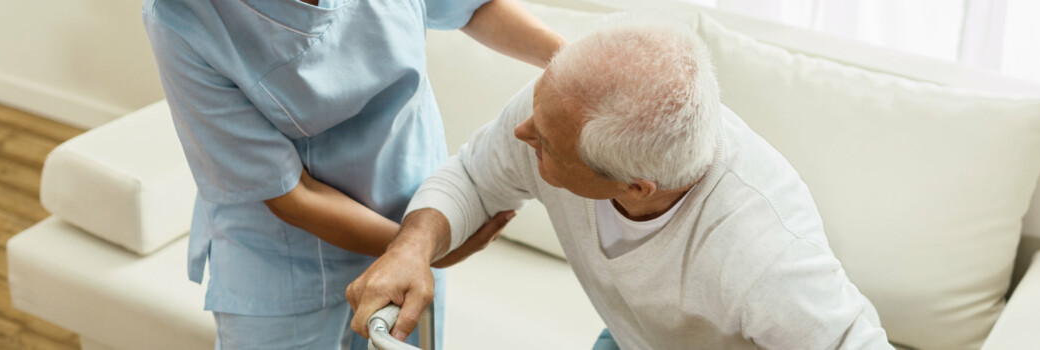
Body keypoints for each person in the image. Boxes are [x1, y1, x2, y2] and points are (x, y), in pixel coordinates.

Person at [346, 15, 894, 349]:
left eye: (546, 145)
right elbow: (472, 176)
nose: (522, 132)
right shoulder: (560, 104)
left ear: (635, 187)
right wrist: (410, 248)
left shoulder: (767, 256)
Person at [142, 0, 565, 348]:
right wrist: (416, 249)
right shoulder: (183, 19)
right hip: (289, 268)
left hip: (412, 221)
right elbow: (293, 195)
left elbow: (471, 7)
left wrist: (573, 65)